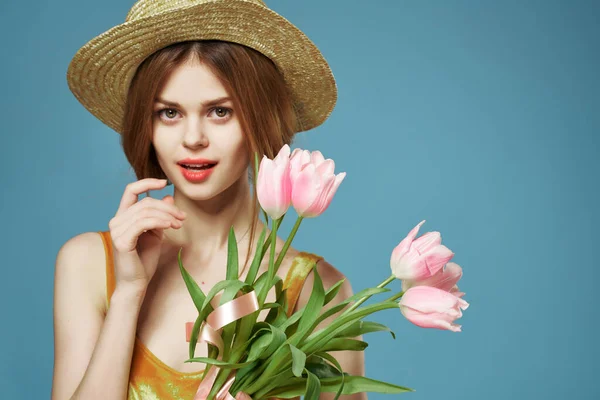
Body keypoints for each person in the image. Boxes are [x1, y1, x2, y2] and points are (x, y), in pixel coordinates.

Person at [52, 1, 366, 399]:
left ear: (260, 120)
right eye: (169, 113)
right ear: (145, 125)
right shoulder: (90, 263)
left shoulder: (315, 288)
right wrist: (129, 294)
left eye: (220, 112)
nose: (193, 138)